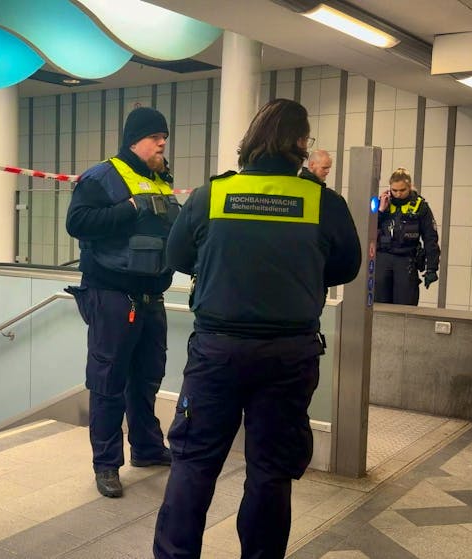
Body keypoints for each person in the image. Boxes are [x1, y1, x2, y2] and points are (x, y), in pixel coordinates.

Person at [152, 98, 361, 559]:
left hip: (217, 351)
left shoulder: (212, 195)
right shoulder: (322, 201)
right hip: (289, 355)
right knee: (270, 471)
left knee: (194, 463)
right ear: (302, 145)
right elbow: (346, 266)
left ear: (250, 140)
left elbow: (178, 256)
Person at [65, 106, 181, 498]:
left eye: (164, 136)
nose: (162, 142)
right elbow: (77, 223)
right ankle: (107, 464)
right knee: (108, 381)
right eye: (155, 136)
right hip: (112, 294)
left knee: (148, 375)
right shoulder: (102, 177)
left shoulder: (160, 178)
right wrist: (129, 209)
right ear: (135, 140)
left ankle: (147, 448)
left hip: (152, 294)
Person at [375, 167, 440, 305]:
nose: (398, 194)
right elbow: (366, 229)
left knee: (404, 306)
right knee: (378, 306)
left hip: (406, 260)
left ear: (410, 187)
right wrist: (380, 211)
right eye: (394, 190)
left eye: (402, 190)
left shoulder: (420, 206)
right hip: (382, 258)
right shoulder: (380, 202)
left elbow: (430, 238)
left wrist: (432, 268)